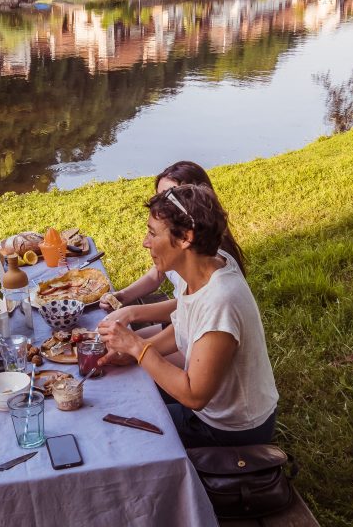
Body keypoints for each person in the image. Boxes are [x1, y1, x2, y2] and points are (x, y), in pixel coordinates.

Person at [98, 184, 278, 448]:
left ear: (185, 238)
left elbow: (195, 396)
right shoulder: (204, 264)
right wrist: (132, 352)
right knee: (121, 390)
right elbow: (185, 325)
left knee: (121, 429)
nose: (145, 242)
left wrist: (137, 348)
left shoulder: (221, 300)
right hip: (209, 411)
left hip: (228, 429)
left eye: (152, 233)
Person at [101, 161, 245, 332]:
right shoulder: (176, 243)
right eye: (159, 196)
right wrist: (124, 296)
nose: (160, 205)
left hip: (194, 324)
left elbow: (192, 307)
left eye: (169, 196)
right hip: (181, 321)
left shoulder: (203, 259)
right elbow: (158, 274)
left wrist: (133, 314)